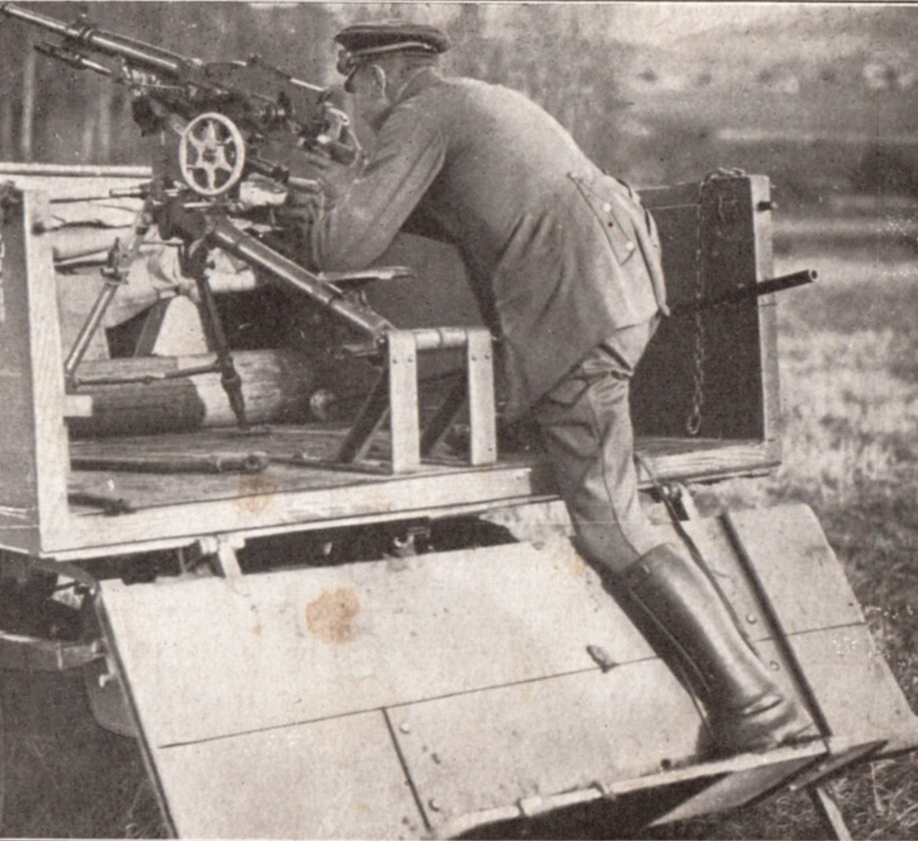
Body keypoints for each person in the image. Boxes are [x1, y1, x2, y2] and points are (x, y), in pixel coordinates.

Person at [301, 19, 811, 756]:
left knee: (608, 524)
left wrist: (329, 186)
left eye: (353, 88)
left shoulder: (420, 115)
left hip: (576, 311)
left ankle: (756, 707)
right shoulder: (472, 103)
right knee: (611, 503)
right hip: (612, 294)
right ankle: (749, 698)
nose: (353, 104)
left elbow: (341, 249)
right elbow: (454, 212)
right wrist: (359, 168)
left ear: (378, 77)